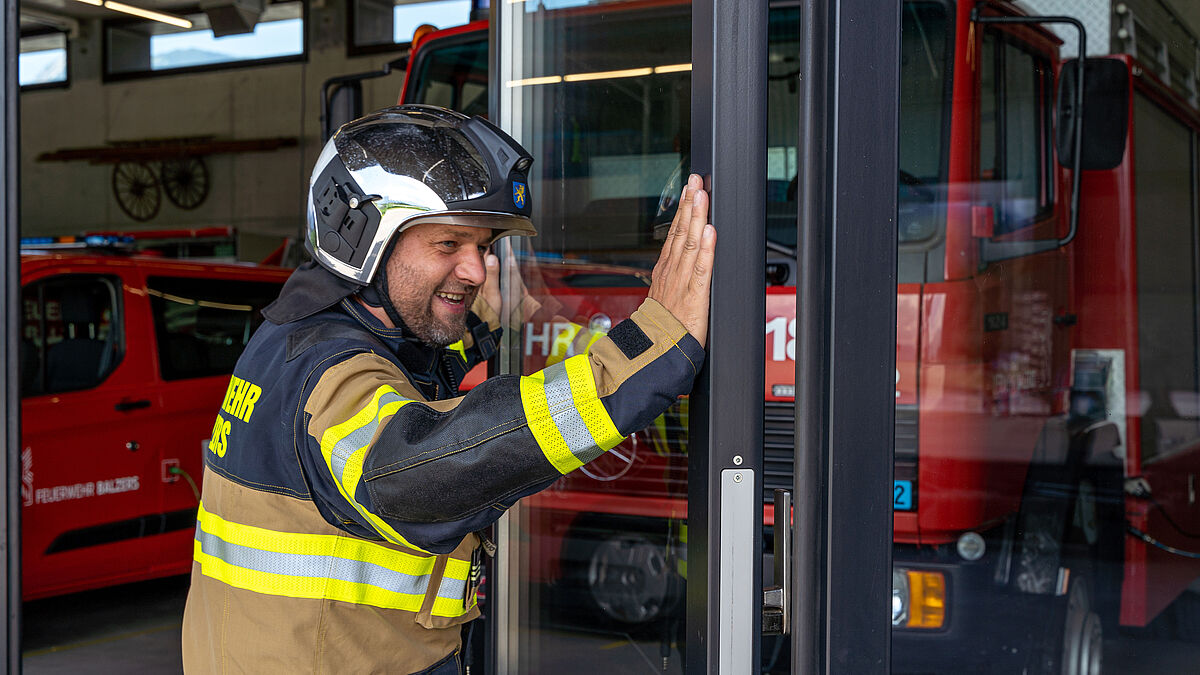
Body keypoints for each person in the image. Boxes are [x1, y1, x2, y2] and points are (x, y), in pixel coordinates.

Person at [181, 104, 715, 674]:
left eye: (483, 247)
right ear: (363, 238)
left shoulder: (308, 331)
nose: (478, 271)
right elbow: (428, 468)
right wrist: (651, 345)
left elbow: (432, 370)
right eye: (448, 245)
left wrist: (513, 316)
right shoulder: (331, 372)